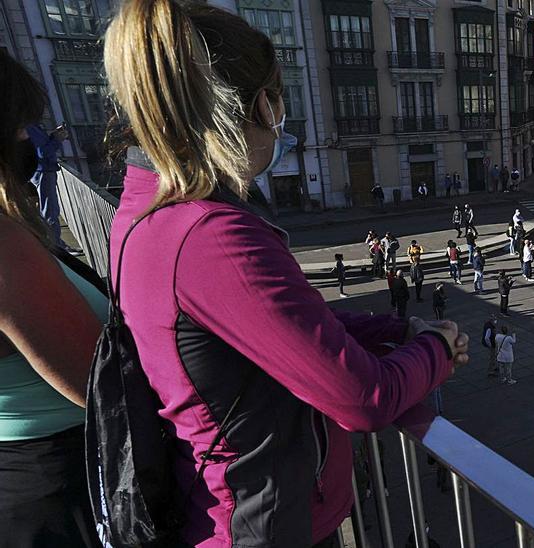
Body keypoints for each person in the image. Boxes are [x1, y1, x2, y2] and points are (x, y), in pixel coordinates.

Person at [100, 4, 464, 545]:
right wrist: (436, 348)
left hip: (224, 508)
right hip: (262, 526)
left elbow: (280, 328)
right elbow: (364, 398)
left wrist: (392, 331)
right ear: (260, 107)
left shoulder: (144, 210)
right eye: (281, 98)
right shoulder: (210, 238)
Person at [0, 49, 106, 548]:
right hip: (61, 489)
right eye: (21, 126)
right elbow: (102, 383)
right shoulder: (3, 246)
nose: (32, 139)